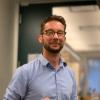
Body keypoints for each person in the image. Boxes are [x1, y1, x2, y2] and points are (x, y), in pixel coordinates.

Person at [3, 15, 77, 100]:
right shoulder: (24, 73)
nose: (56, 37)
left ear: (64, 38)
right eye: (50, 32)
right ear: (40, 38)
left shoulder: (70, 74)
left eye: (60, 33)